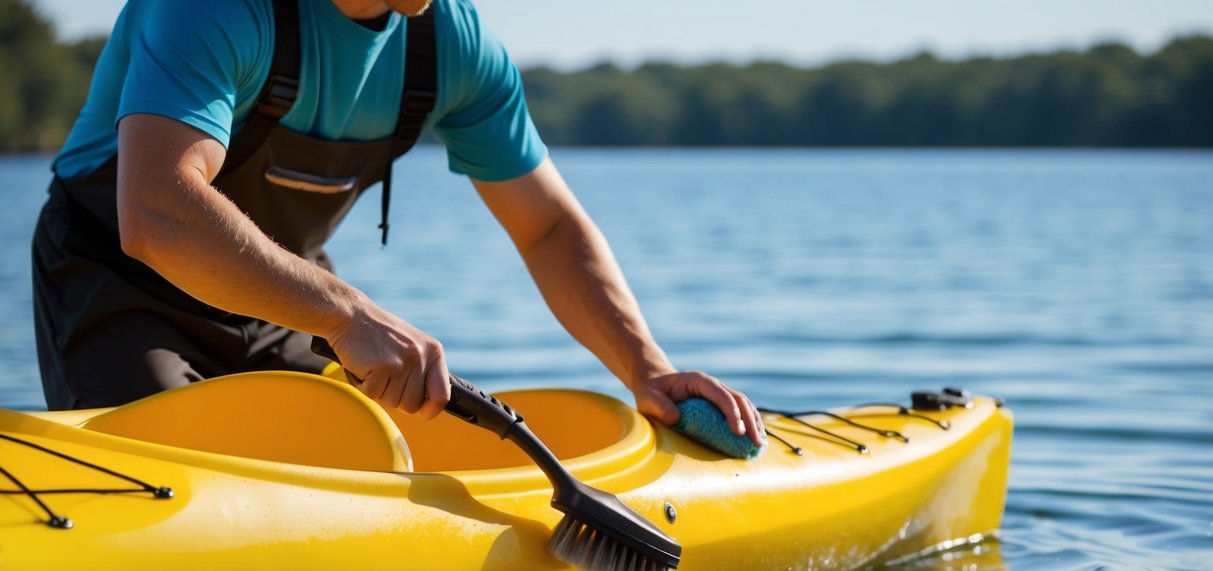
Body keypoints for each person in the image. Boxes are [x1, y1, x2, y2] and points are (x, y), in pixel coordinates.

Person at [32, 0, 764, 447]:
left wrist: (646, 367)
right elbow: (158, 212)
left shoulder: (454, 42)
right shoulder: (216, 5)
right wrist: (348, 315)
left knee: (378, 455)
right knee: (172, 472)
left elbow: (546, 227)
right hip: (118, 285)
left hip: (286, 304)